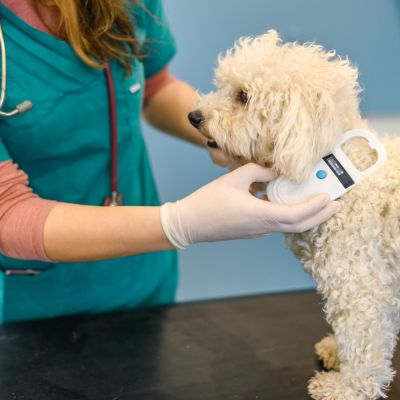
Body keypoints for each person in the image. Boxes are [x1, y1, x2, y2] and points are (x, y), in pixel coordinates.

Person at [0, 0, 341, 324]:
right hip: (27, 305)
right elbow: (7, 210)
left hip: (144, 279)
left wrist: (224, 133)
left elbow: (155, 86)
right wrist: (181, 223)